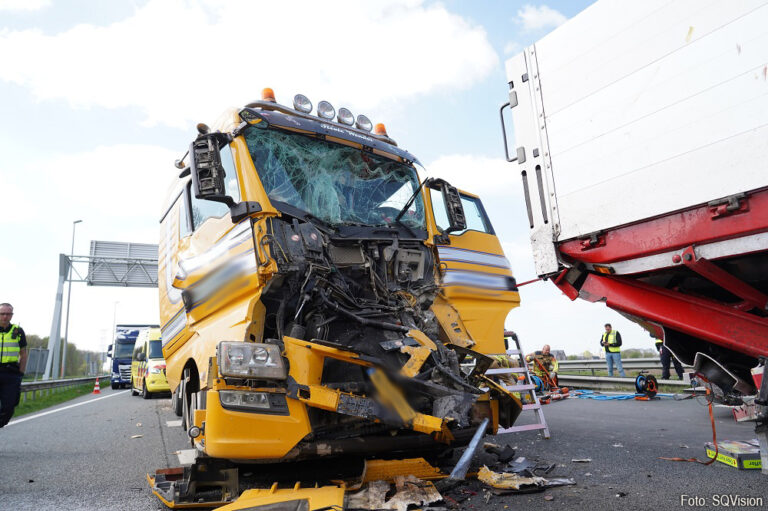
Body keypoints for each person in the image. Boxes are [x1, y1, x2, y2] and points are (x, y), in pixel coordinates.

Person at [0, 303, 27, 427]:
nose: (5, 316)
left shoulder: (18, 331)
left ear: (12, 315)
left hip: (11, 373)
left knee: (10, 406)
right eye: (2, 313)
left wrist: (20, 373)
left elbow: (23, 353)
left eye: (8, 314)